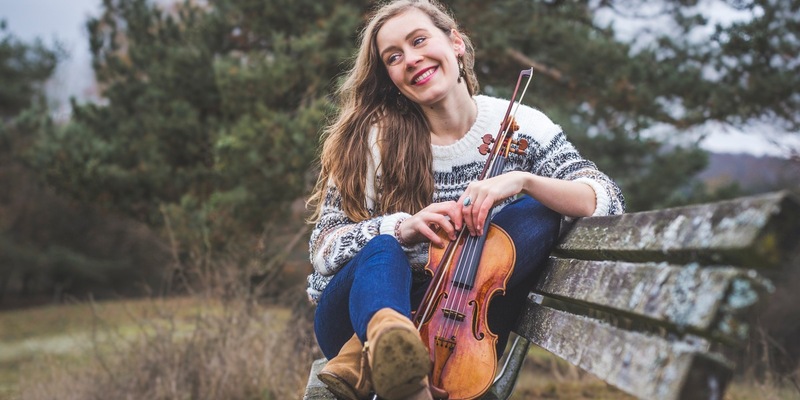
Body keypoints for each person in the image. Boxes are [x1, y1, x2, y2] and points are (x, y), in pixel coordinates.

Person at [305, 1, 625, 399]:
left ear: (455, 42)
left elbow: (606, 198)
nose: (411, 59)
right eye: (394, 56)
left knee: (539, 207)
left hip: (459, 327)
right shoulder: (372, 141)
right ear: (390, 76)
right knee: (384, 247)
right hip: (357, 316)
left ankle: (402, 375)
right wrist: (400, 227)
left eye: (419, 40)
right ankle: (390, 354)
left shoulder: (521, 126)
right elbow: (323, 248)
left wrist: (521, 180)